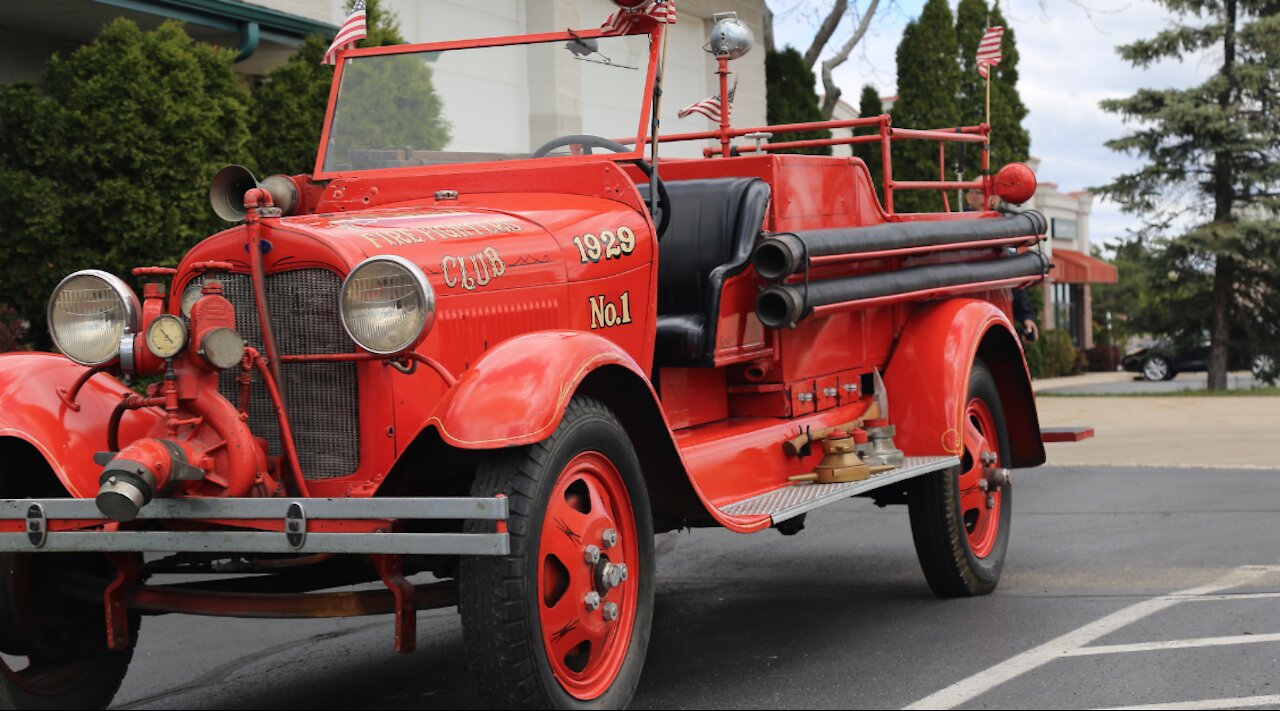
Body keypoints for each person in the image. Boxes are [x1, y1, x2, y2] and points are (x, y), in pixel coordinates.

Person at [964, 189, 1038, 343]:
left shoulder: (1005, 231)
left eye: (994, 193)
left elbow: (1013, 277)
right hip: (968, 321)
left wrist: (1025, 316)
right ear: (969, 197)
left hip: (999, 319)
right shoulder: (958, 228)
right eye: (982, 192)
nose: (991, 197)